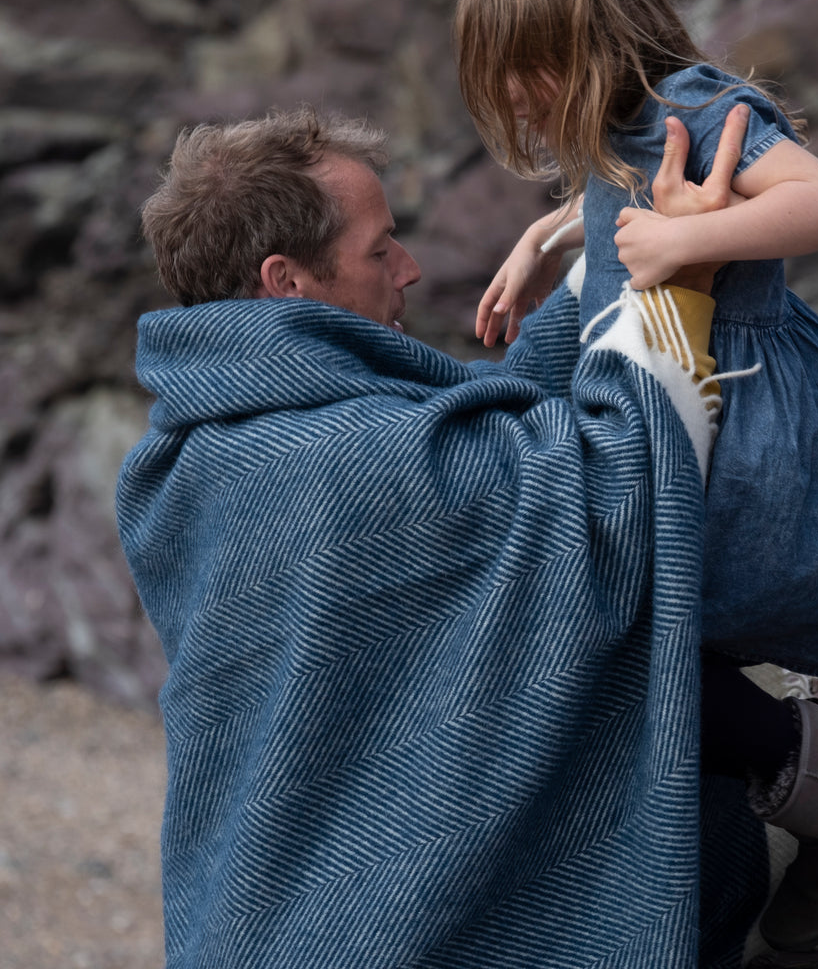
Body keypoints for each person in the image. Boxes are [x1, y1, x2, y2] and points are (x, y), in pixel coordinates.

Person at [117, 104, 769, 969]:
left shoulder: (185, 459)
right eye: (379, 249)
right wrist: (680, 282)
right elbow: (619, 489)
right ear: (286, 280)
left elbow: (473, 429)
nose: (410, 269)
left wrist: (606, 256)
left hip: (250, 925)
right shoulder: (349, 461)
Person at [454, 0, 818, 954]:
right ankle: (776, 827)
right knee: (624, 635)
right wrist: (545, 239)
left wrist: (681, 246)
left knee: (618, 631)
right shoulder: (627, 119)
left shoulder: (701, 104)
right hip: (672, 397)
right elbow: (621, 188)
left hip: (738, 421)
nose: (516, 96)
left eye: (527, 68)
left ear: (592, 40)